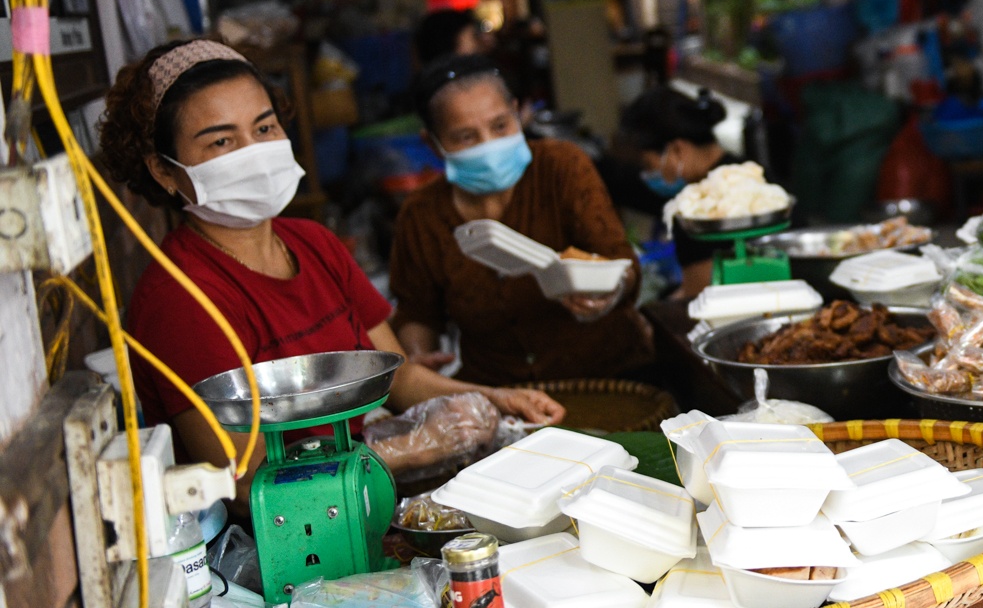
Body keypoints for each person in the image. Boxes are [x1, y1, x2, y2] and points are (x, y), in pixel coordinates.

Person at [98, 41, 565, 487]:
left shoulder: (314, 243)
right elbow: (246, 483)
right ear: (163, 170)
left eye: (264, 129)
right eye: (221, 142)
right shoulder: (179, 300)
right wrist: (411, 449)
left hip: (364, 500)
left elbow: (397, 377)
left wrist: (491, 399)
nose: (254, 153)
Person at [390, 55, 655, 385]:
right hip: (499, 390)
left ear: (518, 112)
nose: (490, 145)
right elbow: (417, 312)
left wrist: (608, 290)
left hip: (609, 376)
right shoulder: (422, 215)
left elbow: (620, 261)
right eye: (466, 137)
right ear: (432, 143)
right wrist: (417, 358)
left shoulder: (562, 167)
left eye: (501, 126)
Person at [601, 86, 739, 297]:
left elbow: (701, 296)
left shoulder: (699, 210)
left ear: (677, 150)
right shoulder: (743, 173)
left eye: (648, 165)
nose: (648, 175)